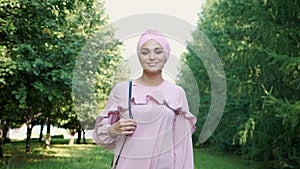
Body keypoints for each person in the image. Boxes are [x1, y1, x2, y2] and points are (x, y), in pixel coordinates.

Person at [93, 29, 197, 169]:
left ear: (166, 55)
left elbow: (182, 146)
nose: (152, 57)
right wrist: (112, 130)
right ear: (139, 56)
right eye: (145, 52)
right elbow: (100, 136)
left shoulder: (177, 93)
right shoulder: (122, 90)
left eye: (158, 51)